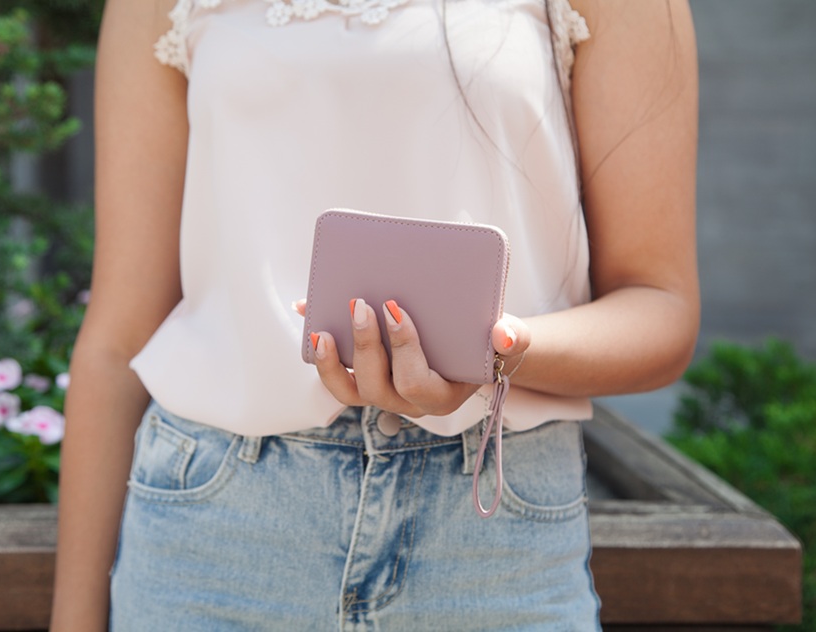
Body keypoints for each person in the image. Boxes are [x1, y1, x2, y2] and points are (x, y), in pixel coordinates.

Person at [50, 0, 699, 629]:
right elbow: (117, 339)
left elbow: (660, 309)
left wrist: (497, 349)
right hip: (216, 536)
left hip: (491, 534)